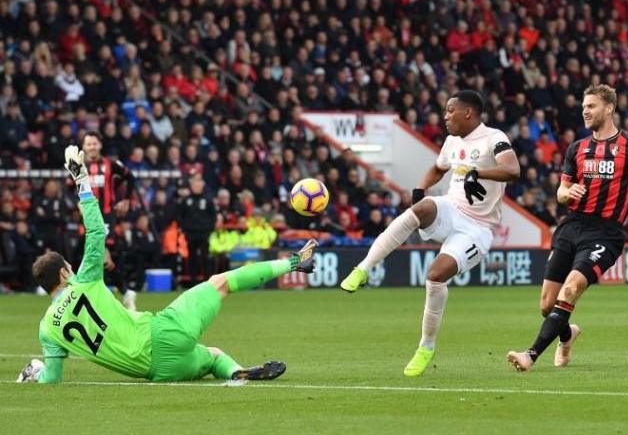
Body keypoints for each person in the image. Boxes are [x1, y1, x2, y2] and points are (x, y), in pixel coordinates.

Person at [17, 145, 318, 384]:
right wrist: (81, 180)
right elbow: (96, 231)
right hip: (162, 333)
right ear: (64, 272)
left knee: (212, 356)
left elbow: (52, 379)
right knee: (221, 282)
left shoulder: (47, 329)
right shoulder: (83, 281)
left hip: (156, 371)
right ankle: (296, 262)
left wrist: (36, 373)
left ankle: (236, 372)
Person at [339, 90, 520, 377]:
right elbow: (438, 168)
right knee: (421, 208)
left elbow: (512, 169)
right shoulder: (451, 142)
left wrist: (478, 172)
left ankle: (426, 346)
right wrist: (419, 189)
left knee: (435, 276)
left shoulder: (493, 138)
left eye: (450, 111)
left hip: (477, 228)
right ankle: (362, 269)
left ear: (468, 113)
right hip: (452, 210)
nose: (445, 116)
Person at [506, 84, 628, 371]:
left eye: (591, 106)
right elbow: (561, 191)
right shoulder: (577, 148)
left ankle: (530, 355)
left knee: (571, 288)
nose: (585, 111)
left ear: (609, 108)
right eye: (584, 106)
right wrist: (567, 192)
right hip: (571, 227)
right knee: (548, 306)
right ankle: (568, 335)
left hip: (605, 234)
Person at [81, 131, 138, 310]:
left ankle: (95, 299)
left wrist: (126, 200)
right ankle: (126, 291)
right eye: (88, 144)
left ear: (100, 145)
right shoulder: (80, 167)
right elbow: (71, 188)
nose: (91, 147)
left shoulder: (111, 165)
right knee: (103, 259)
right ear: (84, 147)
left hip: (105, 215)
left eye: (94, 143)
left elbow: (130, 177)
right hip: (89, 217)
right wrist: (77, 204)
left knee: (98, 255)